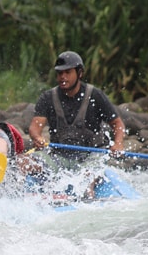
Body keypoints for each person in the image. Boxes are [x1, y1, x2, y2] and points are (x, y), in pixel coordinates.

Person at [26, 51, 126, 196]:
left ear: (79, 73)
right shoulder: (47, 97)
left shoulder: (95, 95)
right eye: (60, 73)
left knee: (84, 186)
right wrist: (37, 138)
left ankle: (86, 197)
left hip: (91, 156)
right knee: (25, 162)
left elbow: (117, 124)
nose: (63, 77)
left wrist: (118, 143)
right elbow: (35, 127)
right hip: (59, 157)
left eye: (68, 72)